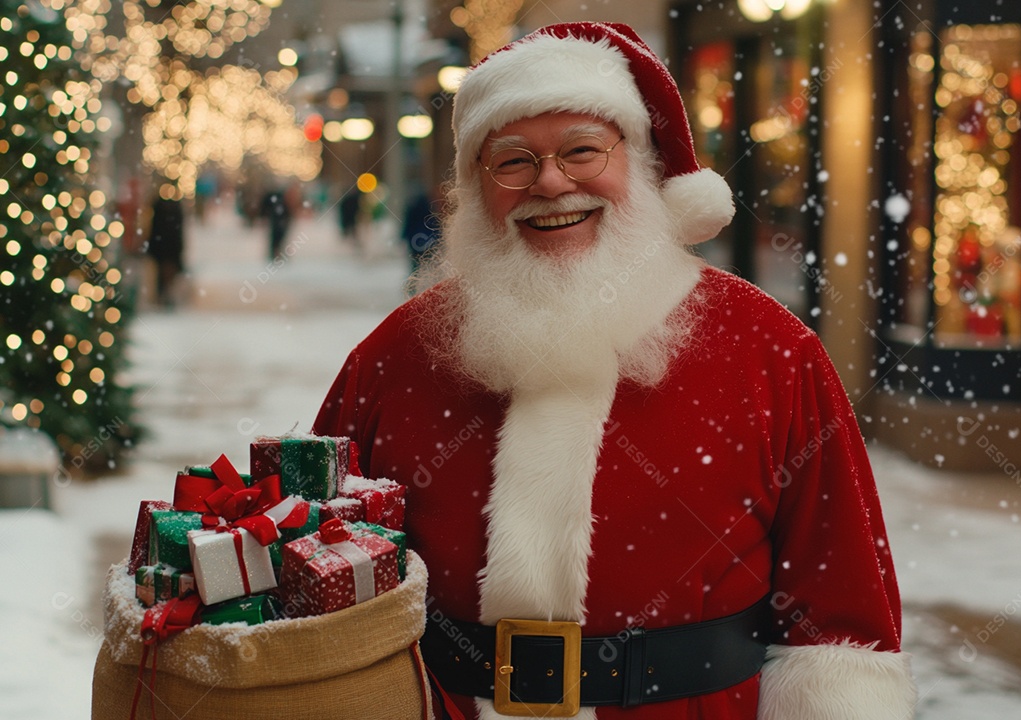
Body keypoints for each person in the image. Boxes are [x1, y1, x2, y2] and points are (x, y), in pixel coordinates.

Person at [313, 22, 916, 720]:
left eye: (581, 151)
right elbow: (319, 568)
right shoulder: (398, 353)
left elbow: (840, 610)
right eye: (511, 161)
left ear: (642, 163)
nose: (549, 182)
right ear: (476, 186)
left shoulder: (771, 350)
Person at [146, 194, 185, 308]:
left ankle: (164, 294)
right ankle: (164, 294)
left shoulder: (163, 207)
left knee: (165, 271)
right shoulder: (171, 208)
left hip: (166, 245)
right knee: (165, 271)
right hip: (167, 245)